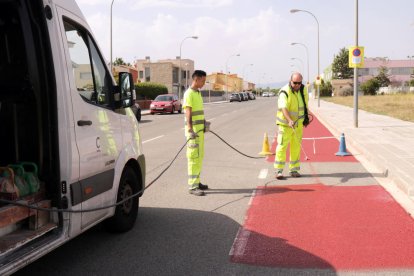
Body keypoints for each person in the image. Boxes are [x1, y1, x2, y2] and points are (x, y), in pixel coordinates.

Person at [274, 72, 309, 179]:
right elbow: (283, 107)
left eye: (299, 83)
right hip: (285, 126)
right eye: (295, 83)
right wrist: (289, 120)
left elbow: (305, 104)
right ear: (290, 81)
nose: (297, 85)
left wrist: (306, 118)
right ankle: (278, 170)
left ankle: (293, 170)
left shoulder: (303, 90)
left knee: (296, 147)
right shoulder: (285, 91)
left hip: (298, 125)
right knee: (282, 147)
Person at [183, 70, 210, 196]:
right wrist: (190, 128)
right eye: (203, 80)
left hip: (200, 132)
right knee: (193, 158)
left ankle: (197, 182)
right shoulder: (189, 94)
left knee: (199, 157)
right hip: (193, 133)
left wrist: (204, 123)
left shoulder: (198, 93)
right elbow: (188, 111)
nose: (204, 83)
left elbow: (199, 112)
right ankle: (193, 186)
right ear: (196, 79)